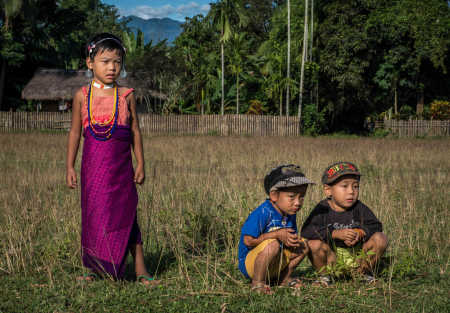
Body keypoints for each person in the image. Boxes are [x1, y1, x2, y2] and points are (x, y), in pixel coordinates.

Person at [66, 33, 156, 286]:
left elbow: (135, 131)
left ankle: (140, 268)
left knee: (127, 214)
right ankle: (91, 267)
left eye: (117, 62)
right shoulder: (82, 96)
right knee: (93, 215)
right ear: (90, 63)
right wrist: (69, 166)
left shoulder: (126, 95)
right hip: (93, 169)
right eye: (105, 61)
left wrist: (141, 162)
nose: (112, 67)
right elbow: (75, 132)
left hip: (121, 169)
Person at [301, 162, 388, 286]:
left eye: (355, 186)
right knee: (313, 244)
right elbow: (307, 231)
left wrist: (361, 232)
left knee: (381, 238)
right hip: (334, 261)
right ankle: (325, 276)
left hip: (359, 258)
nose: (351, 191)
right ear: (328, 190)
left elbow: (376, 225)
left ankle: (364, 274)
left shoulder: (359, 207)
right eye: (344, 186)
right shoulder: (322, 209)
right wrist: (334, 233)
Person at [238, 164, 314, 294]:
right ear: (274, 195)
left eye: (302, 197)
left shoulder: (290, 213)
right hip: (251, 264)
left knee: (304, 245)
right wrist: (277, 234)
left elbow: (289, 240)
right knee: (272, 245)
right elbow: (248, 241)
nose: (298, 202)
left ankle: (283, 278)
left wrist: (291, 241)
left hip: (274, 263)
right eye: (292, 196)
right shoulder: (263, 212)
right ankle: (257, 283)